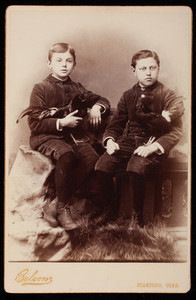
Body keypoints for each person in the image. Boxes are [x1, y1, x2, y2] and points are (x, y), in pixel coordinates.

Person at [95, 49, 184, 227]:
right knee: (101, 166)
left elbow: (175, 132)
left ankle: (137, 217)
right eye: (143, 68)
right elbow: (115, 125)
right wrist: (110, 141)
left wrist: (152, 147)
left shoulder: (167, 95)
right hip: (127, 142)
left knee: (135, 167)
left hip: (152, 143)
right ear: (133, 70)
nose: (148, 72)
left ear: (158, 68)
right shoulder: (128, 95)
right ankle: (110, 212)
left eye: (153, 67)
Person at [27, 43, 110, 230]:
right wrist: (61, 123)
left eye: (68, 61)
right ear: (49, 63)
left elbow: (102, 99)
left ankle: (55, 203)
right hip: (45, 136)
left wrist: (97, 107)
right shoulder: (40, 88)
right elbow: (34, 123)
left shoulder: (77, 88)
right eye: (58, 61)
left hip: (73, 136)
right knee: (67, 154)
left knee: (92, 159)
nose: (64, 65)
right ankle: (63, 209)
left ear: (74, 64)